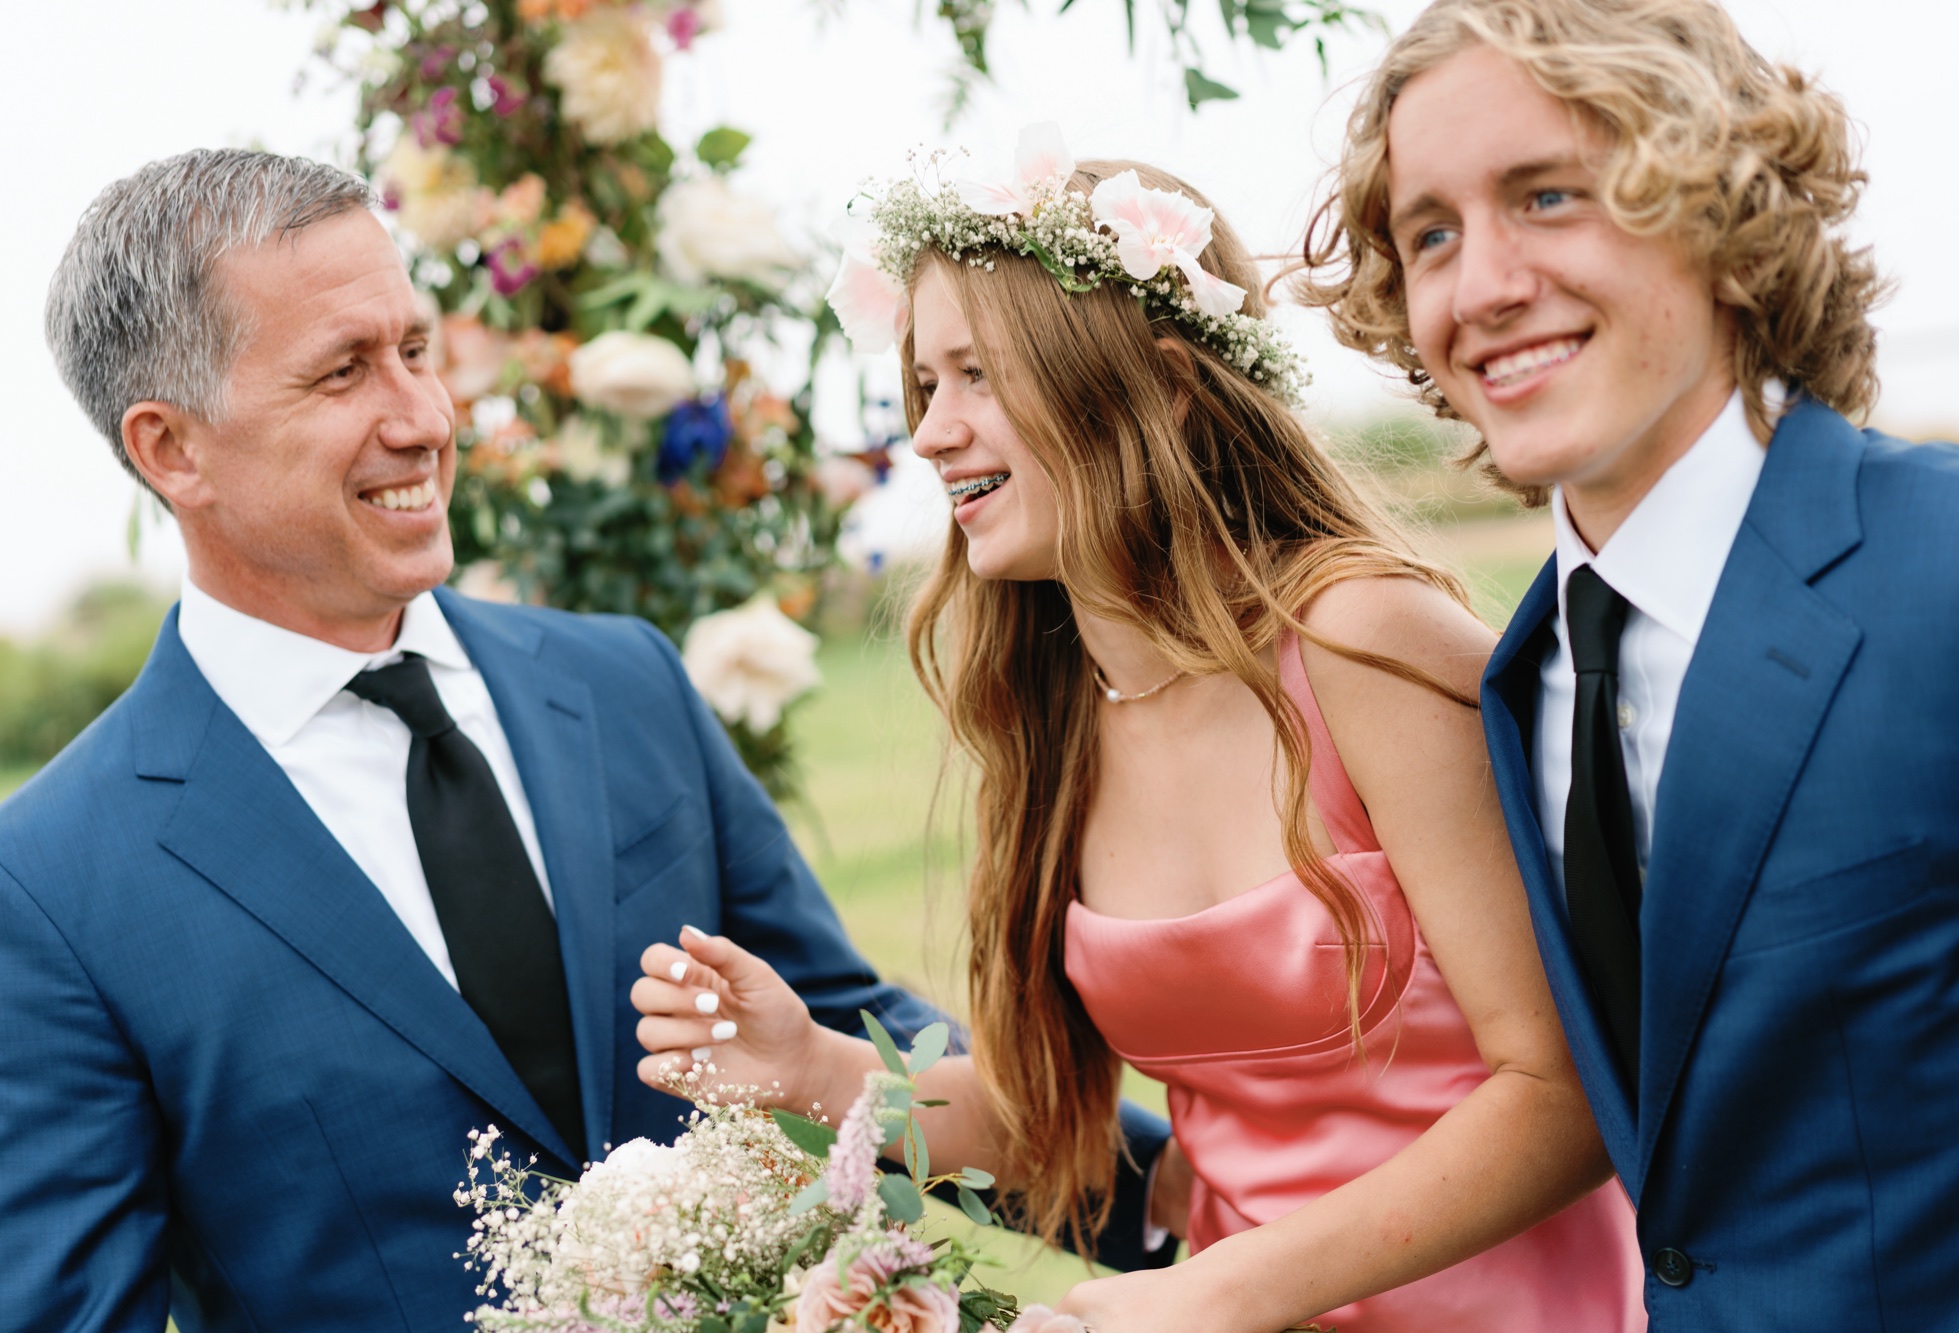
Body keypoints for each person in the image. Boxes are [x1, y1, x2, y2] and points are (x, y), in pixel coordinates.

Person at [0, 148, 1167, 1333]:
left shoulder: (623, 684)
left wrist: (1199, 1196)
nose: (425, 418)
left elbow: (845, 1036)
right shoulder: (50, 886)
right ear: (170, 449)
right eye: (343, 372)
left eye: (414, 349)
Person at [631, 129, 1643, 1332]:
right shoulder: (1059, 717)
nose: (929, 433)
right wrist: (812, 1069)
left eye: (978, 377)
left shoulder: (1359, 640)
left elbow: (1564, 1093)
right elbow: (1044, 1118)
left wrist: (1213, 1290)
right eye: (923, 387)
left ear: (1159, 385)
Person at [1304, 0, 1959, 1326]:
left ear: (1719, 202)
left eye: (1548, 196)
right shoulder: (1526, 676)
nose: (1483, 285)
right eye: (1431, 234)